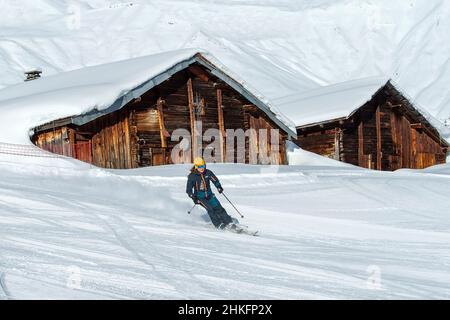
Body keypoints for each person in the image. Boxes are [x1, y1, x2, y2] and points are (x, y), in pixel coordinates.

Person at [186, 157, 235, 230]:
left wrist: (219, 187)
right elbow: (188, 190)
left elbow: (215, 180)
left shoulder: (208, 172)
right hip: (200, 197)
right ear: (196, 167)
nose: (202, 168)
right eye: (200, 167)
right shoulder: (192, 176)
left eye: (203, 166)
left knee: (219, 207)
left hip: (210, 195)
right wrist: (194, 198)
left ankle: (228, 222)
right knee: (210, 209)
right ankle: (218, 224)